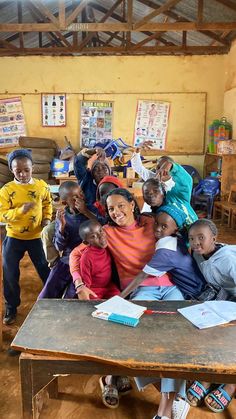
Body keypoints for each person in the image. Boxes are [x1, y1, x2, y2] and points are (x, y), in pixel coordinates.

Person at [70, 189, 189, 417]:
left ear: (133, 205)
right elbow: (76, 255)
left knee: (181, 333)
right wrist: (79, 284)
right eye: (111, 208)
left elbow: (180, 229)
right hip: (142, 290)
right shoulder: (106, 233)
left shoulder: (153, 224)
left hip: (171, 286)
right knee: (148, 337)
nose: (116, 212)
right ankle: (170, 402)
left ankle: (174, 398)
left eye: (121, 205)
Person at [186, 218, 236, 413]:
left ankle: (231, 384)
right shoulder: (200, 253)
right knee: (206, 327)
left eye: (201, 237)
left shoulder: (228, 259)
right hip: (225, 293)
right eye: (191, 238)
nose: (196, 242)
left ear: (214, 238)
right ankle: (207, 376)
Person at [0, 149, 52, 324]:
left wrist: (46, 219)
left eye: (26, 170)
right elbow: (1, 214)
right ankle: (11, 306)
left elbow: (47, 203)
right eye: (17, 171)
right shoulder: (7, 190)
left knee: (46, 268)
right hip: (14, 237)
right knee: (9, 272)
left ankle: (53, 299)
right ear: (12, 170)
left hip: (37, 237)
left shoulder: (41, 186)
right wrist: (20, 211)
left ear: (33, 168)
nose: (22, 174)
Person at [120, 204, 205, 301]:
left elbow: (142, 276)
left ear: (176, 229)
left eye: (164, 226)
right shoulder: (177, 238)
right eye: (156, 223)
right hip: (197, 285)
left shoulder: (165, 252)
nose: (158, 228)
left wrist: (120, 297)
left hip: (193, 292)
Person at [38, 181, 89, 299]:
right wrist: (61, 229)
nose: (80, 198)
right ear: (65, 202)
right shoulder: (62, 217)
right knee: (45, 296)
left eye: (80, 193)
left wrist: (86, 211)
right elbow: (59, 246)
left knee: (70, 298)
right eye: (74, 197)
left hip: (84, 263)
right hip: (66, 261)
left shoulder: (89, 212)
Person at [70, 220, 120, 300]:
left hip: (108, 286)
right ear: (86, 242)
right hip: (94, 289)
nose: (101, 236)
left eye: (100, 231)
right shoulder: (86, 257)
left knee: (118, 299)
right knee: (93, 304)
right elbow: (86, 282)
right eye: (93, 236)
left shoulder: (107, 246)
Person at [73, 147, 111, 212]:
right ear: (92, 173)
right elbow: (78, 162)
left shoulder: (114, 185)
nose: (101, 172)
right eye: (96, 169)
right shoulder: (86, 181)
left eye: (104, 169)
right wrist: (93, 151)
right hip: (87, 219)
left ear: (109, 172)